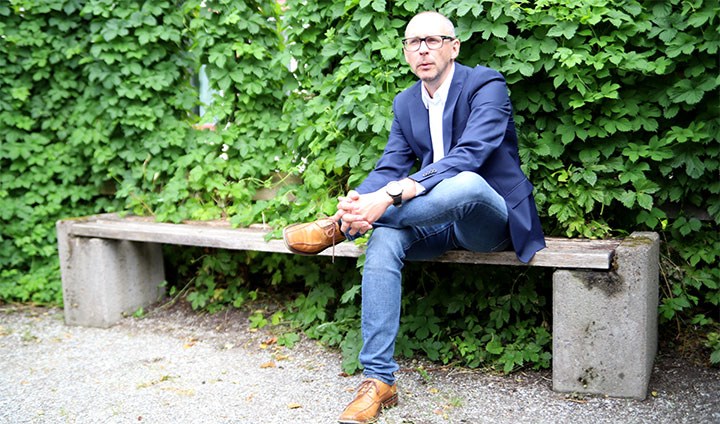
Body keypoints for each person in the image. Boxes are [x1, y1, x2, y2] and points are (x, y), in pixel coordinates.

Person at [283, 11, 545, 424]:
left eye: (433, 40)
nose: (423, 49)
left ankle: (339, 230)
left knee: (466, 184)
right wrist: (359, 201)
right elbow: (390, 166)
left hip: (486, 220)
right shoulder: (406, 102)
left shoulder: (485, 84)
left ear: (453, 46)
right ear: (405, 52)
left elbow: (471, 154)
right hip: (432, 221)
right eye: (413, 42)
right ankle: (379, 381)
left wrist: (387, 197)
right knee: (384, 239)